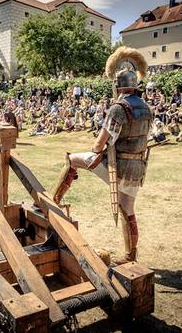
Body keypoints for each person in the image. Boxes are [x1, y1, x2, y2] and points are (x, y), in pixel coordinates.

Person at [51, 47, 152, 265]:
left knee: (72, 160)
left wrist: (98, 146)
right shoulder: (146, 106)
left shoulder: (119, 107)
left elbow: (98, 146)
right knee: (128, 210)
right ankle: (130, 256)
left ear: (118, 86)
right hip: (138, 168)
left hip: (118, 166)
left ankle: (53, 202)